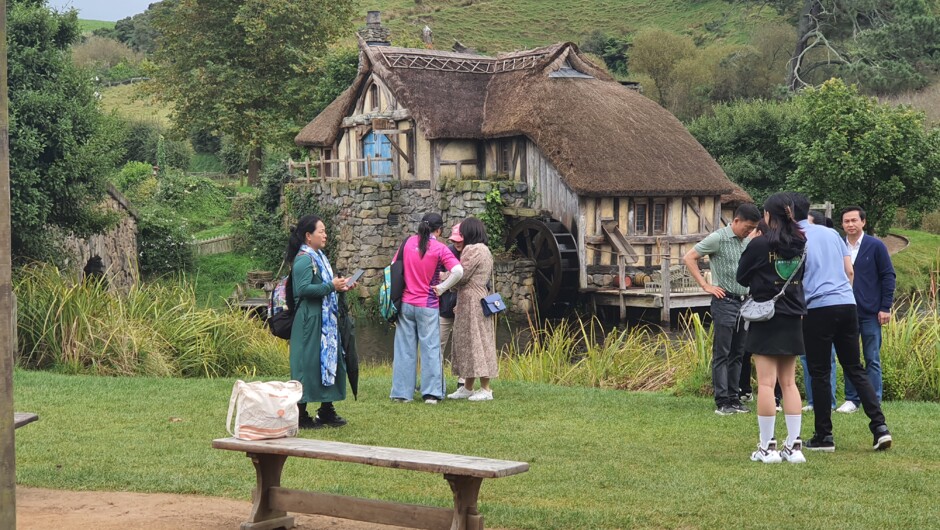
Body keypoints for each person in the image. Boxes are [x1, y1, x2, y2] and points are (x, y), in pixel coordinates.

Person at [790, 193, 892, 452]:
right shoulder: (832, 234)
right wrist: (844, 294)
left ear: (790, 213)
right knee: (855, 367)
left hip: (818, 308)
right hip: (848, 305)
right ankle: (880, 427)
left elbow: (792, 276)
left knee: (821, 372)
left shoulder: (795, 237)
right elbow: (850, 271)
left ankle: (824, 436)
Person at [736, 193, 808, 463]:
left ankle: (767, 448)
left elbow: (741, 276)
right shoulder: (801, 244)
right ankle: (794, 446)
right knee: (789, 383)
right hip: (792, 315)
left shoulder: (760, 244)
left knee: (766, 383)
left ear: (767, 215)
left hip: (766, 315)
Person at [683, 203, 761, 415]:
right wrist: (705, 285)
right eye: (747, 226)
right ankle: (722, 401)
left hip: (745, 302)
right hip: (725, 301)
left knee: (739, 352)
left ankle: (734, 398)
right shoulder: (718, 238)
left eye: (753, 228)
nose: (749, 231)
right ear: (736, 221)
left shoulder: (747, 240)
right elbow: (689, 257)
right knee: (723, 352)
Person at [286, 215, 355, 429]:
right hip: (309, 320)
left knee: (330, 359)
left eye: (325, 231)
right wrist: (331, 287)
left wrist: (340, 286)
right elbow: (303, 290)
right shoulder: (304, 259)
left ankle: (326, 409)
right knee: (307, 364)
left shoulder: (320, 256)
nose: (325, 235)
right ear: (308, 236)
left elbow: (325, 285)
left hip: (325, 319)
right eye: (321, 231)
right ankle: (300, 413)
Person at [390, 213, 464, 404]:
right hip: (428, 305)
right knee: (430, 349)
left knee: (404, 349)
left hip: (406, 303)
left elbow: (393, 266)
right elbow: (458, 271)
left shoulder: (407, 243)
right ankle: (431, 393)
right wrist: (441, 288)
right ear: (438, 230)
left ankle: (401, 393)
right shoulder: (439, 248)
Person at [836, 205, 896, 413]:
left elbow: (888, 276)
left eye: (854, 220)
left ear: (863, 222)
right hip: (844, 311)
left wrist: (885, 307)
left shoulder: (875, 246)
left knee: (872, 357)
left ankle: (874, 398)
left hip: (870, 312)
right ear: (842, 224)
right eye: (846, 221)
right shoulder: (839, 246)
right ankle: (852, 399)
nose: (850, 224)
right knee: (849, 358)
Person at [441, 218, 499, 401]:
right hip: (476, 298)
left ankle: (486, 389)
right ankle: (468, 387)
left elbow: (461, 275)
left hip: (472, 301)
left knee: (475, 342)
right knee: (472, 342)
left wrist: (440, 276)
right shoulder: (484, 249)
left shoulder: (472, 250)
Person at [801, 210, 837, 411]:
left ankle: (829, 402)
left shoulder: (830, 245)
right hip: (805, 308)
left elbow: (849, 272)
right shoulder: (803, 247)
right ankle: (813, 401)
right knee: (806, 357)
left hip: (824, 306)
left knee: (827, 357)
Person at [438, 223, 465, 391]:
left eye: (459, 240)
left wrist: (447, 278)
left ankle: (462, 382)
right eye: (454, 240)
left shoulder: (473, 253)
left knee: (462, 344)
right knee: (437, 343)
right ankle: (436, 380)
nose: (457, 243)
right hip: (446, 306)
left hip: (465, 307)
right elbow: (438, 276)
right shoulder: (447, 252)